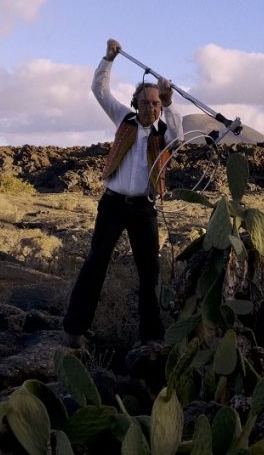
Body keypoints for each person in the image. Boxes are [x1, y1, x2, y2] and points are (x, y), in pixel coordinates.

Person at [63, 38, 184, 348]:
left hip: (144, 209)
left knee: (149, 272)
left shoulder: (165, 132)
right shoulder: (123, 119)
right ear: (135, 104)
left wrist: (170, 103)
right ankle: (75, 330)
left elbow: (179, 139)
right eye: (146, 103)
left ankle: (151, 337)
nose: (151, 108)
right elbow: (100, 91)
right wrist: (108, 60)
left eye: (156, 103)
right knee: (96, 263)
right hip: (113, 205)